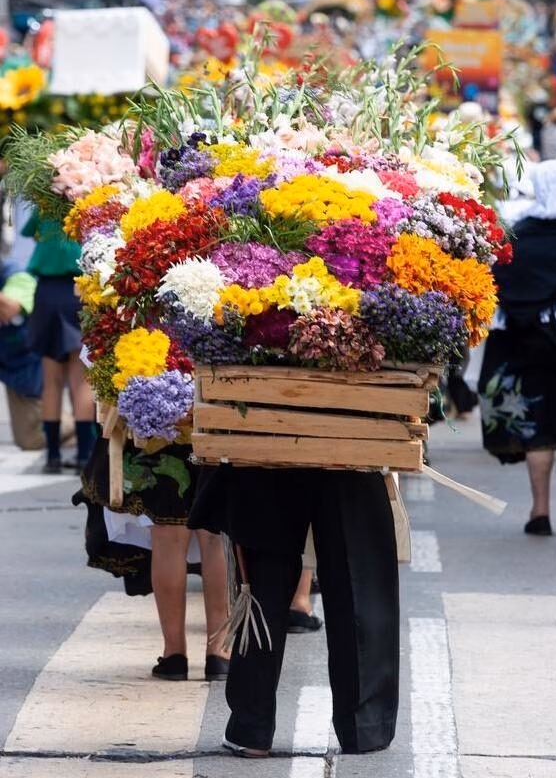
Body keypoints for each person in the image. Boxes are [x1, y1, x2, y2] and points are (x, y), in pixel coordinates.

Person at [190, 465, 399, 756]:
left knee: (266, 576)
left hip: (267, 445)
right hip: (350, 442)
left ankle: (252, 728)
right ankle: (365, 727)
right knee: (357, 575)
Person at [77, 437, 230, 681]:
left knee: (167, 536)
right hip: (213, 425)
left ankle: (174, 655)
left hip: (162, 427)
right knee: (214, 536)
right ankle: (219, 651)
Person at [479, 160, 556, 536]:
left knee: (538, 427)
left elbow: (496, 287)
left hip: (524, 344)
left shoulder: (518, 236)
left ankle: (540, 511)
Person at [23, 208, 96, 473]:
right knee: (80, 381)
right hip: (77, 291)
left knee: (51, 381)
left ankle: (52, 456)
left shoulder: (43, 208)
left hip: (45, 293)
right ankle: (84, 456)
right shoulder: (84, 207)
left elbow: (31, 233)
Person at [0, 257, 44, 449]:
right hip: (7, 361)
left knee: (29, 439)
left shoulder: (18, 275)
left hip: (25, 365)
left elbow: (8, 308)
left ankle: (77, 425)